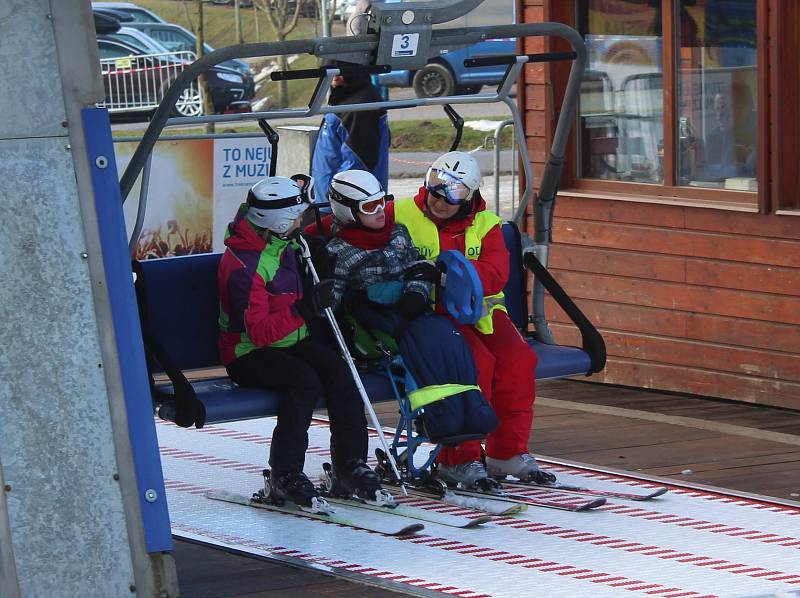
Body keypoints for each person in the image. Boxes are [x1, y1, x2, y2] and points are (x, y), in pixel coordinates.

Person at [216, 174, 384, 507]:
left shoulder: (284, 242)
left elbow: (296, 270)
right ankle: (285, 474)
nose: (301, 222)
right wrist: (306, 307)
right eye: (295, 218)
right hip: (249, 352)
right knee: (304, 382)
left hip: (292, 339)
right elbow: (259, 332)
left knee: (339, 373)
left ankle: (349, 465)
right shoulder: (246, 266)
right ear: (276, 222)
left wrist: (317, 267)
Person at [397, 151, 555, 486]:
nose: (440, 199)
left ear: (470, 195)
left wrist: (446, 275)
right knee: (474, 364)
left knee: (519, 360)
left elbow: (496, 274)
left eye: (454, 192)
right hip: (429, 315)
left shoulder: (486, 224)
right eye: (436, 185)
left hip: (477, 311)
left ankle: (506, 452)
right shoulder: (401, 214)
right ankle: (459, 457)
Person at [310, 61, 390, 202]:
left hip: (348, 205)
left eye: (340, 71)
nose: (334, 76)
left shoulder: (358, 106)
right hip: (335, 201)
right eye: (329, 70)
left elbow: (357, 162)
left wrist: (337, 196)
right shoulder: (346, 98)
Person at [703, 81, 757, 180]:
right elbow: (708, 175)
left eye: (724, 110)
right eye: (716, 111)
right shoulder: (714, 138)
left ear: (746, 109)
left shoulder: (764, 133)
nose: (718, 117)